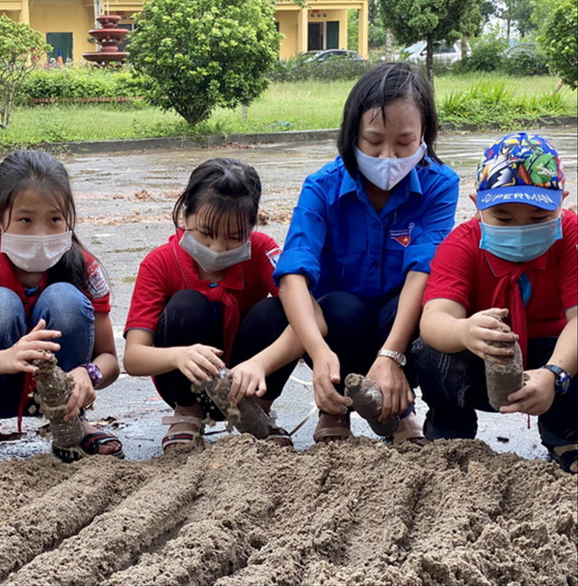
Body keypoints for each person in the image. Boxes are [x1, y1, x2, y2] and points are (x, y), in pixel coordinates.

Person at [273, 62, 459, 444]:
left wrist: (391, 357)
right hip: (342, 325)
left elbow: (423, 272)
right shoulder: (321, 187)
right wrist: (318, 352)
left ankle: (399, 409)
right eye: (373, 142)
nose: (388, 157)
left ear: (425, 134)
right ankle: (335, 407)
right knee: (339, 307)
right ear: (351, 134)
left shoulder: (441, 186)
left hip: (400, 321)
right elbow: (293, 272)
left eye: (405, 143)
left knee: (430, 311)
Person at [0, 150, 122, 466]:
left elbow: (109, 359)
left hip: (62, 392)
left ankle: (70, 421)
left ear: (69, 218)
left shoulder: (84, 266)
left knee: (64, 298)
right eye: (25, 220)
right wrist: (4, 359)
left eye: (54, 219)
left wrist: (89, 373)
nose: (41, 234)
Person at [412, 132, 577, 474]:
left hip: (555, 358)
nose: (520, 228)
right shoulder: (462, 243)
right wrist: (464, 331)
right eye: (503, 218)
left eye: (537, 219)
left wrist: (555, 373)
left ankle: (566, 432)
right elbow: (434, 318)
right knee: (431, 352)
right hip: (482, 360)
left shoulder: (572, 237)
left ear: (563, 202)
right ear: (477, 205)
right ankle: (450, 430)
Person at [123, 158, 302, 452]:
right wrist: (178, 356)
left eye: (234, 238)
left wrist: (260, 363)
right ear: (184, 214)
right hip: (187, 384)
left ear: (252, 227)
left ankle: (258, 412)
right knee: (186, 306)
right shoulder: (159, 263)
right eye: (206, 234)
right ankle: (187, 415)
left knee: (281, 310)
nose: (218, 248)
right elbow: (133, 357)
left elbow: (312, 318)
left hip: (249, 383)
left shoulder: (261, 250)